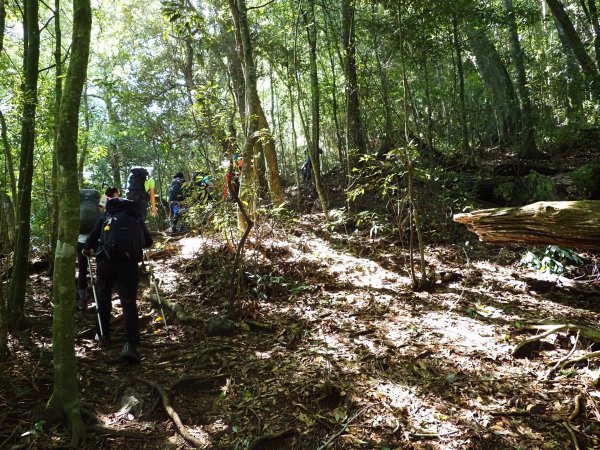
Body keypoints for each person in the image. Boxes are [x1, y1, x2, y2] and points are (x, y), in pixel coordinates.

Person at [83, 196, 153, 363]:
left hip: (105, 263)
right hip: (128, 266)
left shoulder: (105, 217)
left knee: (103, 297)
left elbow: (89, 242)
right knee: (129, 302)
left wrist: (87, 250)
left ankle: (102, 335)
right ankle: (130, 344)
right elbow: (148, 242)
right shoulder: (136, 218)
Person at [77, 188, 103, 311]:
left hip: (81, 240)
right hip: (96, 239)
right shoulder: (97, 203)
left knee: (82, 269)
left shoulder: (78, 204)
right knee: (100, 266)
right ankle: (100, 295)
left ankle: (82, 299)